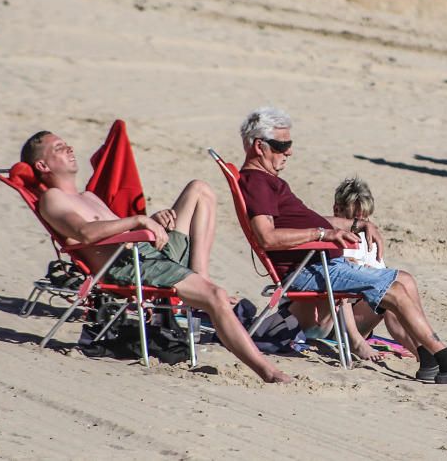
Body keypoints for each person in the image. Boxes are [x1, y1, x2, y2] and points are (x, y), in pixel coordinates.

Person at [237, 107, 447, 384]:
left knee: (404, 280)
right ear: (259, 146)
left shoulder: (266, 181)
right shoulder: (259, 183)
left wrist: (354, 226)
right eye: (282, 145)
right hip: (310, 268)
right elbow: (267, 237)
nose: (288, 152)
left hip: (318, 262)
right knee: (395, 291)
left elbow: (296, 222)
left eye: (290, 145)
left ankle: (428, 359)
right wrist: (324, 234)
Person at [21, 130, 291, 383]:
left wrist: (152, 221)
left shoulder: (89, 196)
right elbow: (86, 233)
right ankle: (268, 371)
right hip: (129, 267)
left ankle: (200, 275)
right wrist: (138, 220)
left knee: (200, 189)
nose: (68, 148)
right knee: (216, 297)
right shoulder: (53, 199)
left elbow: (121, 229)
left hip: (148, 253)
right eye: (58, 148)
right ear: (43, 166)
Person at [284, 177, 419, 362]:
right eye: (355, 220)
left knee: (393, 290)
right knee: (342, 278)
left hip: (352, 320)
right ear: (337, 210)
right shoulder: (324, 231)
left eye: (365, 219)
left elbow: (379, 276)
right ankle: (356, 342)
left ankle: (422, 352)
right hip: (318, 317)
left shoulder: (366, 236)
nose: (361, 225)